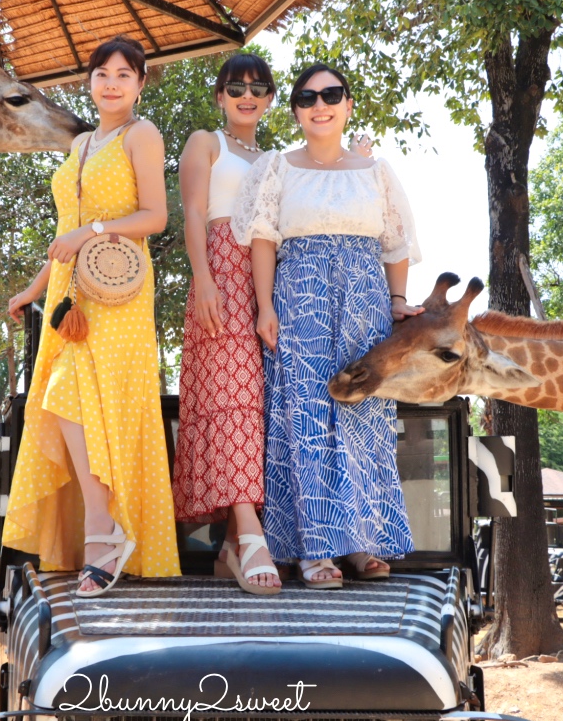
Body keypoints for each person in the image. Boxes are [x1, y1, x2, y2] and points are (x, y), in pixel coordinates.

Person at [230, 63, 423, 589]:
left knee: (363, 417)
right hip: (300, 299)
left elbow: (396, 244)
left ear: (348, 104)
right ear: (295, 111)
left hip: (364, 300)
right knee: (307, 420)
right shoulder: (278, 168)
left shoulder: (375, 171)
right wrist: (265, 306)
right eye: (308, 97)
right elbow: (263, 239)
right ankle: (315, 549)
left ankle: (362, 541)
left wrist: (398, 301)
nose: (321, 104)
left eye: (332, 94)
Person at [2, 35, 180, 597]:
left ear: (140, 83)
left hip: (119, 293)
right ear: (90, 81)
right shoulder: (80, 144)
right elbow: (64, 231)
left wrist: (94, 231)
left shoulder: (141, 134)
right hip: (68, 291)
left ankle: (105, 532)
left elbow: (156, 216)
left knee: (97, 402)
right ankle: (100, 530)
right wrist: (33, 289)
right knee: (62, 395)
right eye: (102, 73)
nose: (111, 82)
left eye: (124, 74)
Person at [172, 54, 281, 595]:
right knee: (231, 399)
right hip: (219, 270)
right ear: (220, 96)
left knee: (262, 407)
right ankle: (250, 532)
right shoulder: (205, 141)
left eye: (257, 88)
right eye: (235, 86)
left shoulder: (273, 157)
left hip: (269, 280)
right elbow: (193, 211)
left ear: (268, 100)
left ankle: (232, 550)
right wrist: (205, 278)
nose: (246, 94)